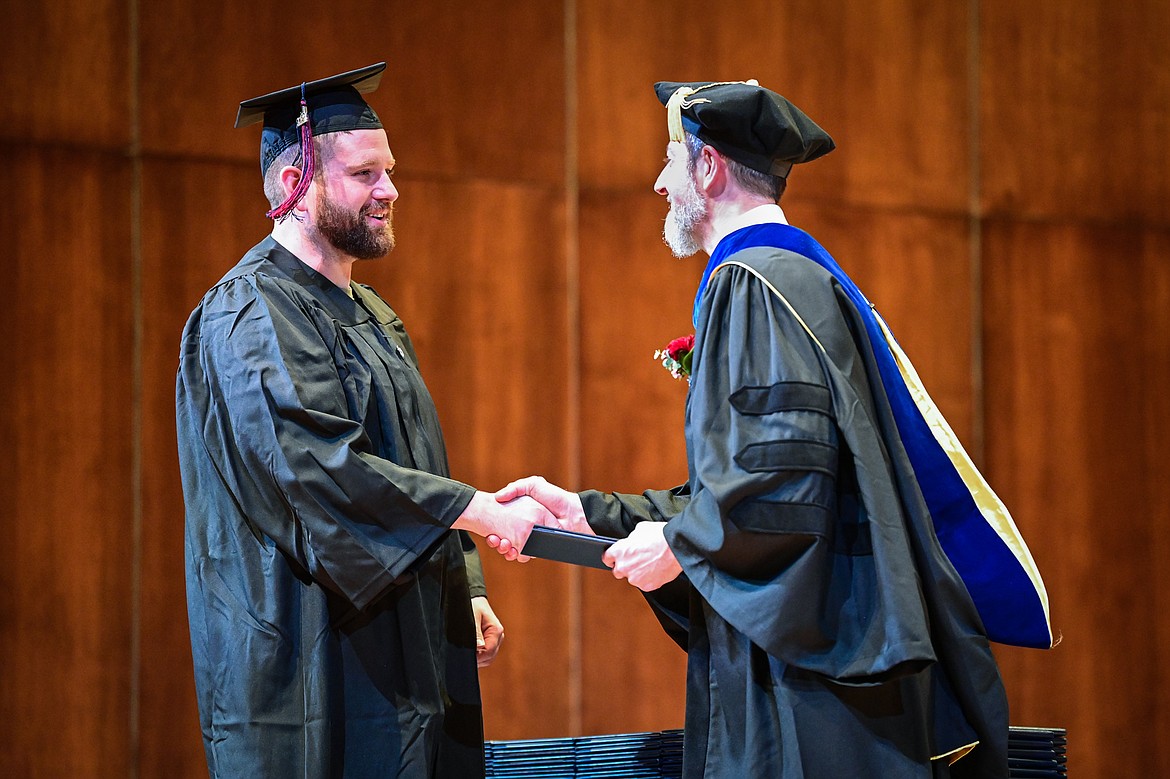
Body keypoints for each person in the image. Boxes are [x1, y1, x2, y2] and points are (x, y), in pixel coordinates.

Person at [497, 79, 1052, 777]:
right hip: (831, 662)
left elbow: (782, 486)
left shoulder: (753, 282)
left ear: (708, 167)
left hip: (810, 687)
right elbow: (759, 481)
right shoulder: (797, 278)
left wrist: (678, 543)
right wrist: (591, 514)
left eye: (672, 162)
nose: (659, 183)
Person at [176, 62, 540, 778]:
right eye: (365, 174)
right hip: (305, 653)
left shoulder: (372, 315)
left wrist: (463, 585)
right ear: (293, 187)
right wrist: (473, 510)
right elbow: (315, 468)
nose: (390, 190)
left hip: (403, 645)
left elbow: (417, 458)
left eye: (391, 170)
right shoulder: (250, 314)